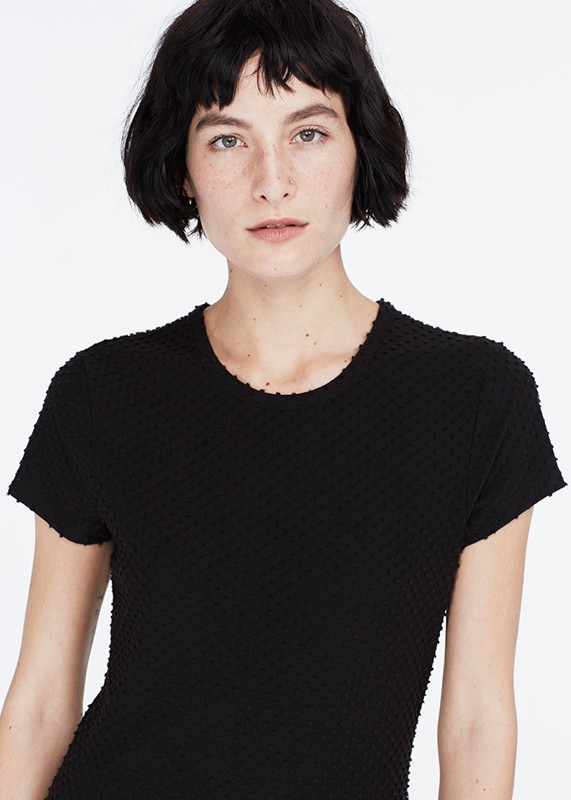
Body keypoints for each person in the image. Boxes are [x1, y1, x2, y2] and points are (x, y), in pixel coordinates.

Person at [0, 0, 566, 797]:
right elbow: (37, 704)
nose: (272, 181)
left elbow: (476, 718)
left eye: (308, 133)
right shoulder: (101, 394)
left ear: (359, 147)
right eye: (226, 139)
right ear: (181, 169)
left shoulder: (475, 398)